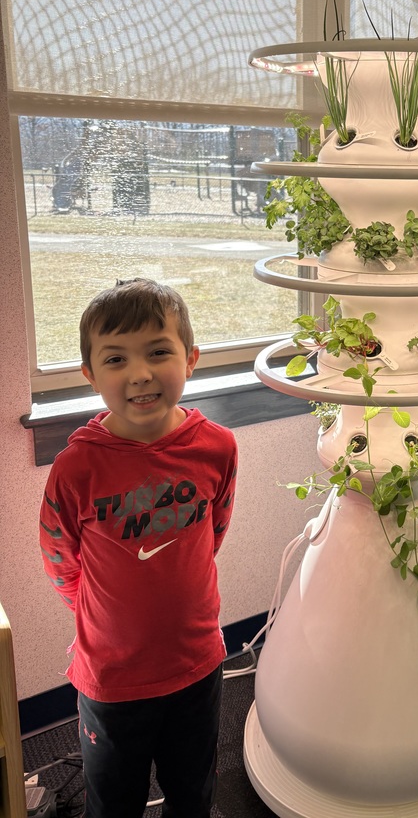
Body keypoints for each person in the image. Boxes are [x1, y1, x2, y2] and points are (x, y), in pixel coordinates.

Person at [39, 278, 238, 817]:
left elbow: (211, 531)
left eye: (158, 351)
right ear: (91, 374)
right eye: (116, 359)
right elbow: (60, 560)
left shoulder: (218, 447)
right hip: (111, 677)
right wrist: (106, 617)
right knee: (113, 802)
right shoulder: (77, 468)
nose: (140, 373)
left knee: (193, 792)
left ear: (190, 358)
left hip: (197, 663)